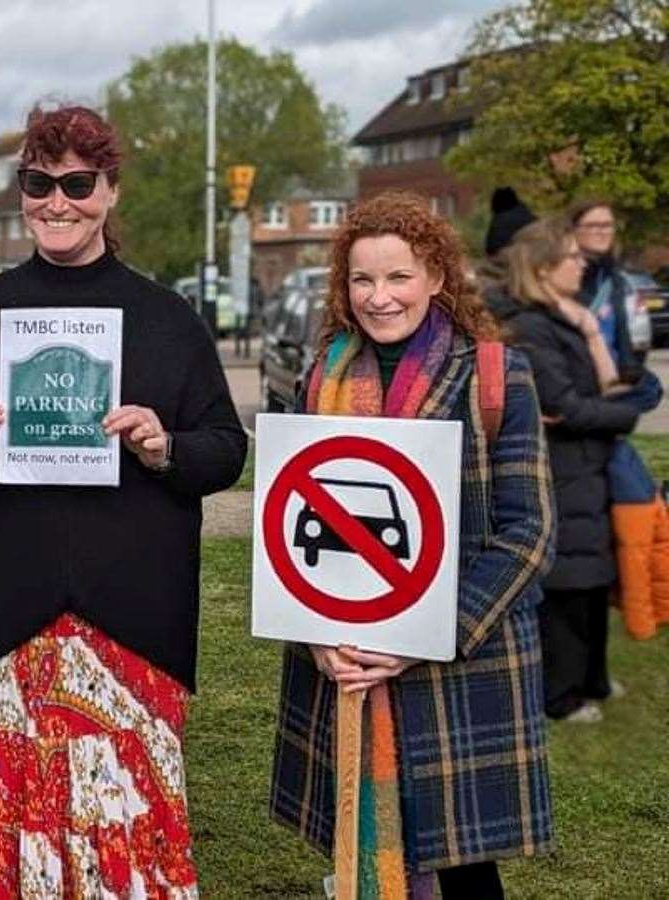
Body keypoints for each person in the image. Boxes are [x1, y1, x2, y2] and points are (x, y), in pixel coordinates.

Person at [0, 104, 247, 897]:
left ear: (111, 191)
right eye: (38, 183)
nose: (57, 201)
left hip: (130, 621)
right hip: (1, 620)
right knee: (0, 833)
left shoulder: (167, 320)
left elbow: (225, 448)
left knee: (118, 833)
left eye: (78, 183)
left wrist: (165, 446)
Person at [269, 192, 555, 900]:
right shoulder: (322, 377)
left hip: (458, 662)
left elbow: (529, 531)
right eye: (362, 279)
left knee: (462, 867)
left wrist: (427, 633)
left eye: (398, 277)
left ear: (435, 275)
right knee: (359, 842)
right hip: (344, 656)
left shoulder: (494, 376)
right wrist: (313, 633)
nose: (380, 297)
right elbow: (295, 520)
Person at [487, 217, 642, 722]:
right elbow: (568, 406)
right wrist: (626, 411)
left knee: (594, 573)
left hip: (585, 464)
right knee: (567, 583)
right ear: (545, 266)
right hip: (559, 468)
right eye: (573, 256)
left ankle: (590, 677)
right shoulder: (530, 328)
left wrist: (595, 335)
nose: (583, 264)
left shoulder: (565, 319)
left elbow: (606, 389)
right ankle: (560, 692)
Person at [569, 200, 642, 380]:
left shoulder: (612, 276)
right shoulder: (564, 277)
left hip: (611, 378)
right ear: (574, 230)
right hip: (576, 382)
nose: (602, 232)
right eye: (593, 225)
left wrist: (629, 372)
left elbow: (621, 330)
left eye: (607, 225)